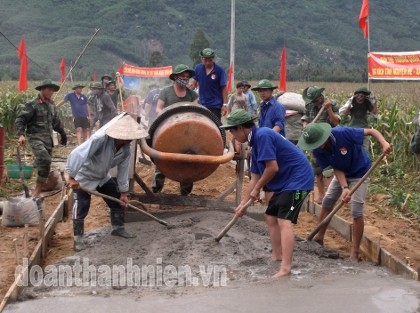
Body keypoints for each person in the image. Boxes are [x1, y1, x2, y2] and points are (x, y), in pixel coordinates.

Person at [220, 109, 314, 277]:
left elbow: (272, 168)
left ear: (241, 128)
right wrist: (243, 204)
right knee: (270, 217)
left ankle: (286, 267)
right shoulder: (254, 146)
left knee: (284, 219)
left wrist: (257, 189)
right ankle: (277, 256)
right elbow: (254, 179)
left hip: (300, 181)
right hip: (286, 182)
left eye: (232, 130)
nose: (232, 135)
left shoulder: (263, 135)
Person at [297, 123, 392, 261]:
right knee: (328, 200)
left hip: (360, 173)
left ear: (324, 139)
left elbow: (372, 131)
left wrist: (384, 143)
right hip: (342, 172)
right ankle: (319, 236)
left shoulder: (343, 133)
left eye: (317, 144)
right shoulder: (317, 151)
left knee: (356, 211)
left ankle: (355, 252)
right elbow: (336, 167)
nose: (316, 148)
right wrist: (344, 188)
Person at [66, 113, 148, 251]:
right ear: (119, 135)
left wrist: (123, 192)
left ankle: (118, 228)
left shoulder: (126, 149)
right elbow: (77, 153)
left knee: (116, 199)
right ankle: (78, 239)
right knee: (81, 207)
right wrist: (72, 177)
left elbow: (123, 170)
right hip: (84, 176)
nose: (129, 140)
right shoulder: (100, 139)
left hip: (102, 176)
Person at [15, 79, 67, 197]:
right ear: (42, 89)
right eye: (49, 89)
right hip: (35, 137)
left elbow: (56, 122)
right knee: (45, 159)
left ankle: (39, 186)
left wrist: (63, 133)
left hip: (48, 140)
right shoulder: (32, 104)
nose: (51, 92)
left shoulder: (52, 105)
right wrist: (21, 134)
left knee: (46, 164)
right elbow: (21, 119)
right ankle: (37, 190)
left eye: (53, 90)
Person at [153, 64, 199, 195]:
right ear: (175, 77)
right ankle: (156, 193)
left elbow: (197, 111)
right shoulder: (166, 92)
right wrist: (164, 116)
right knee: (161, 162)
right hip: (168, 131)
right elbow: (158, 108)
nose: (185, 78)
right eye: (182, 76)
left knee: (187, 163)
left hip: (187, 134)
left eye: (187, 77)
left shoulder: (192, 94)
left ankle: (185, 194)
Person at [301, 86, 341, 204]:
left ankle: (331, 197)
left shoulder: (332, 104)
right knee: (317, 170)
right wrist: (305, 127)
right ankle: (321, 195)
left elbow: (336, 122)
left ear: (320, 96)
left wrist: (328, 109)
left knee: (329, 169)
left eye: (315, 99)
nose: (314, 102)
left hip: (329, 140)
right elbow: (305, 118)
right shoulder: (309, 106)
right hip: (314, 140)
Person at [189, 48, 228, 121]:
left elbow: (224, 88)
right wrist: (190, 85)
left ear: (213, 59)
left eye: (210, 60)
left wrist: (225, 104)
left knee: (215, 126)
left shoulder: (219, 70)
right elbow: (194, 81)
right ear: (201, 59)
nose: (207, 63)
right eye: (205, 60)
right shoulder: (198, 68)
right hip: (202, 104)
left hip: (215, 105)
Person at [339, 87, 378, 151]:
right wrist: (349, 104)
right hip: (352, 127)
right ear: (356, 95)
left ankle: (364, 159)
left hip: (364, 127)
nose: (360, 97)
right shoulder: (352, 102)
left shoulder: (366, 102)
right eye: (359, 95)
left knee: (364, 148)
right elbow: (345, 113)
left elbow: (374, 112)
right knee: (352, 147)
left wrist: (375, 103)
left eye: (362, 96)